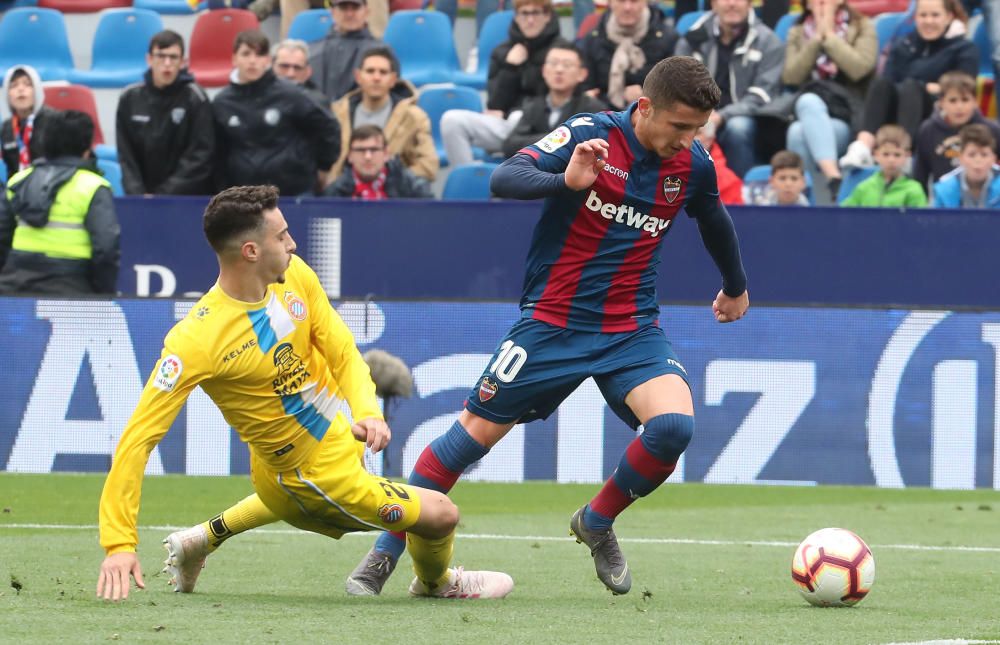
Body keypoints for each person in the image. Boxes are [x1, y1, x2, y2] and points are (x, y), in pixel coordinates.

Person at [344, 55, 749, 597]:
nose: (688, 140)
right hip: (552, 323)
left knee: (674, 428)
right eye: (679, 126)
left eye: (697, 129)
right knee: (470, 438)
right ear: (644, 107)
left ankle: (597, 520)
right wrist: (567, 179)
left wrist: (735, 284)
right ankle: (383, 553)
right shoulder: (591, 135)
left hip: (631, 328)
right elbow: (503, 177)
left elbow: (714, 217)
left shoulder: (692, 165)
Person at [95, 185, 514, 602]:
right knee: (441, 515)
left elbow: (341, 348)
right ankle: (437, 584)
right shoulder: (197, 340)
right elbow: (137, 439)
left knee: (299, 495)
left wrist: (367, 410)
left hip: (333, 437)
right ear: (251, 252)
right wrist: (119, 543)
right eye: (281, 236)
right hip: (307, 477)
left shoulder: (293, 274)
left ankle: (201, 539)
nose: (292, 243)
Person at [839, 0, 978, 170]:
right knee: (881, 84)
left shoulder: (963, 48)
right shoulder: (904, 44)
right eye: (923, 15)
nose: (928, 21)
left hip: (936, 110)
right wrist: (927, 85)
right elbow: (889, 80)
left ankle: (904, 154)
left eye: (935, 15)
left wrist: (925, 87)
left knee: (911, 87)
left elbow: (964, 87)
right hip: (900, 104)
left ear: (948, 17)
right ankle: (863, 145)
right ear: (915, 17)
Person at [0, 110, 119, 295]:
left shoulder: (18, 181)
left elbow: (2, 238)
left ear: (45, 143)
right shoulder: (93, 186)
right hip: (71, 289)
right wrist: (102, 293)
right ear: (87, 148)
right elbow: (106, 250)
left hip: (15, 287)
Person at [212, 30, 341, 196]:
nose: (252, 61)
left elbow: (328, 126)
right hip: (243, 197)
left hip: (293, 192)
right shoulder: (222, 102)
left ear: (267, 60)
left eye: (259, 54)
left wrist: (324, 166)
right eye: (246, 54)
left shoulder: (291, 94)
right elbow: (217, 151)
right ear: (234, 59)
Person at [441, 0, 567, 167]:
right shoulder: (503, 51)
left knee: (518, 117)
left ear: (547, 16)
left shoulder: (562, 52)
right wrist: (511, 67)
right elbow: (495, 103)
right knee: (451, 120)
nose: (530, 20)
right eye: (524, 14)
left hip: (547, 130)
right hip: (507, 126)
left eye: (536, 13)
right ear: (516, 17)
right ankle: (470, 183)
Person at [674, 0, 785, 177]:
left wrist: (720, 117)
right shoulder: (695, 36)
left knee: (738, 127)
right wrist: (699, 118)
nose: (732, 3)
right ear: (713, 4)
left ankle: (740, 197)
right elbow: (679, 83)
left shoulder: (768, 41)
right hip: (699, 113)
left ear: (750, 4)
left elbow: (763, 94)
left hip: (743, 117)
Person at [780, 0, 876, 196]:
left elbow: (859, 69)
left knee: (802, 118)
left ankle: (811, 202)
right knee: (798, 127)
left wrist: (829, 36)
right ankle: (830, 185)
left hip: (847, 113)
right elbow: (791, 76)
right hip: (809, 116)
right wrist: (816, 40)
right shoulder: (797, 31)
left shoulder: (862, 26)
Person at [116, 30, 215, 196]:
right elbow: (126, 157)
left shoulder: (195, 98)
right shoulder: (129, 98)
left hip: (185, 198)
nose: (167, 63)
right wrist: (138, 194)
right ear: (149, 59)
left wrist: (163, 195)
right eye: (161, 56)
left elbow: (200, 155)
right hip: (141, 199)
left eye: (173, 57)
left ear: (183, 62)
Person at [330, 47, 438, 181]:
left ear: (393, 79)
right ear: (358, 76)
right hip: (343, 196)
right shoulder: (336, 114)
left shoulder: (414, 118)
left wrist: (389, 183)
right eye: (370, 71)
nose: (376, 78)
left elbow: (429, 165)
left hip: (393, 198)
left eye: (383, 72)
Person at [500, 43, 608, 158]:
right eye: (553, 63)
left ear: (582, 74)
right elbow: (510, 145)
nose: (559, 69)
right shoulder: (533, 105)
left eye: (567, 65)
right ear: (544, 71)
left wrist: (538, 142)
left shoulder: (593, 110)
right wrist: (557, 138)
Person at [577, 0, 678, 111]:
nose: (627, 7)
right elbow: (586, 88)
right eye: (621, 1)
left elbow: (674, 91)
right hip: (602, 117)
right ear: (610, 3)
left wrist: (647, 97)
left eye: (634, 1)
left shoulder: (668, 38)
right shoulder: (593, 39)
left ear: (645, 3)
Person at [913, 71, 1000, 190]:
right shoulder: (928, 130)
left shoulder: (992, 130)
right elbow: (920, 175)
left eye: (965, 100)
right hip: (945, 200)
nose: (959, 107)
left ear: (975, 102)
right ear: (941, 102)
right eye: (953, 100)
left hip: (988, 202)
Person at [323, 124, 434, 198]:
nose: (367, 156)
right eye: (360, 150)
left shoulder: (412, 187)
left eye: (374, 150)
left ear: (386, 154)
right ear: (350, 156)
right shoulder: (333, 194)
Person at [308, 0, 382, 103]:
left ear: (366, 12)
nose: (349, 14)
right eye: (343, 8)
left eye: (355, 8)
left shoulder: (381, 53)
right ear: (332, 12)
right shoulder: (312, 51)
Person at [841, 125, 927, 207]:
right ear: (875, 155)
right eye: (886, 154)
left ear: (907, 156)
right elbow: (845, 216)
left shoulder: (914, 190)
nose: (891, 160)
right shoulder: (863, 188)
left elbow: (920, 220)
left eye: (897, 155)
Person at [1, 65, 55, 181]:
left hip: (49, 188)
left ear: (37, 91)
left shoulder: (54, 121)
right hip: (18, 191)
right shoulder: (6, 128)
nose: (20, 89)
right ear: (7, 94)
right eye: (13, 86)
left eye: (27, 84)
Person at [931, 123, 1000, 207]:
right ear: (961, 158)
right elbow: (935, 219)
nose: (978, 160)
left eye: (984, 155)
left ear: (993, 159)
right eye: (971, 155)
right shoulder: (944, 189)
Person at [694, 121, 744, 205]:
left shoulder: (728, 182)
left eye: (697, 133)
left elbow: (735, 216)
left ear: (710, 139)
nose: (689, 137)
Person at [272, 38, 329, 108]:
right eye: (284, 66)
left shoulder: (316, 105)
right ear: (272, 67)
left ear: (308, 72)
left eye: (297, 68)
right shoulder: (258, 97)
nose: (290, 74)